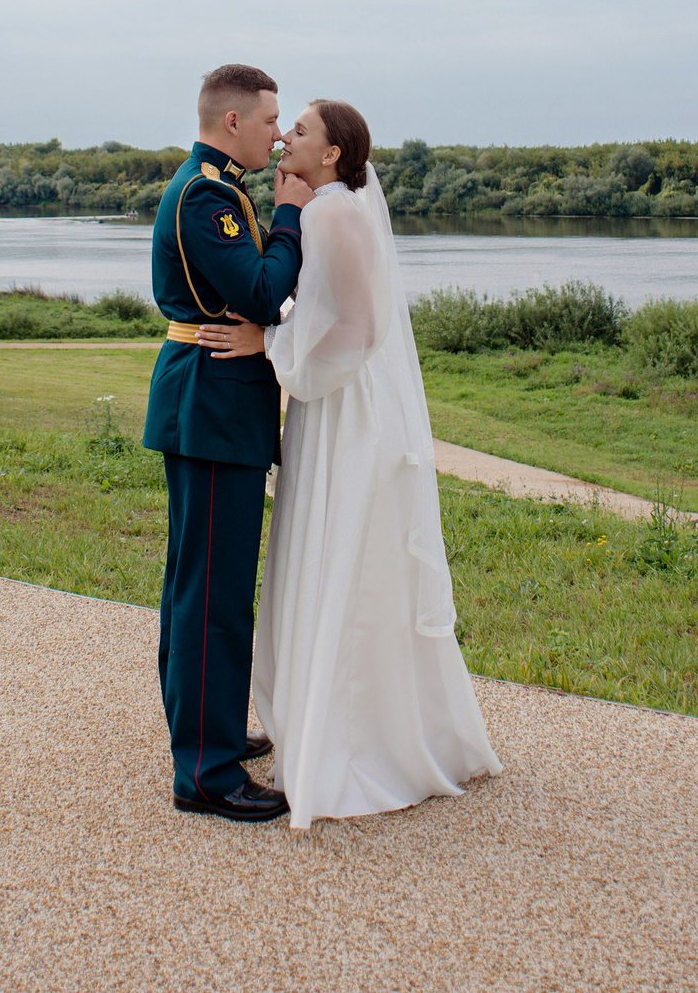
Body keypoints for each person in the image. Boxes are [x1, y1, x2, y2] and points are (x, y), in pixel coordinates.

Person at [197, 98, 502, 830]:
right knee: (335, 551)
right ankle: (348, 727)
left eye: (299, 131)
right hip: (329, 399)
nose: (284, 138)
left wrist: (270, 349)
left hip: (344, 409)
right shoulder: (328, 205)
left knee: (340, 552)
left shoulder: (334, 214)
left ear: (333, 154)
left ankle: (352, 744)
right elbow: (319, 305)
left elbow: (360, 327)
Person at [144, 63, 314, 822]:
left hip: (209, 401)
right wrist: (291, 216)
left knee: (198, 586)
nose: (280, 135)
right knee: (212, 596)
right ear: (235, 121)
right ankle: (206, 775)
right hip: (212, 404)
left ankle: (203, 732)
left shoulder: (207, 185)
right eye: (272, 120)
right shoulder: (209, 194)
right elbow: (261, 291)